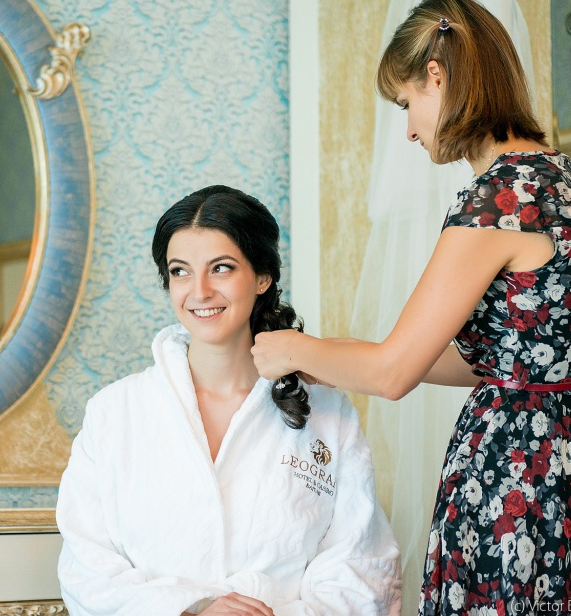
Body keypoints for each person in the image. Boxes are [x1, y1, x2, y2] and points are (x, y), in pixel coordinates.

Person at [252, 0, 571, 614]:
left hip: (517, 477)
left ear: (437, 76)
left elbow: (394, 375)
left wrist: (293, 348)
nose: (408, 130)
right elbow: (505, 362)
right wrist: (334, 356)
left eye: (407, 104)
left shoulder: (498, 202)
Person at [56, 185, 402, 616]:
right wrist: (192, 610)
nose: (199, 291)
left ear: (262, 277)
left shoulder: (327, 412)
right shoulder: (114, 413)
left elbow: (363, 568)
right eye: (180, 271)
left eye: (220, 268)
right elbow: (86, 571)